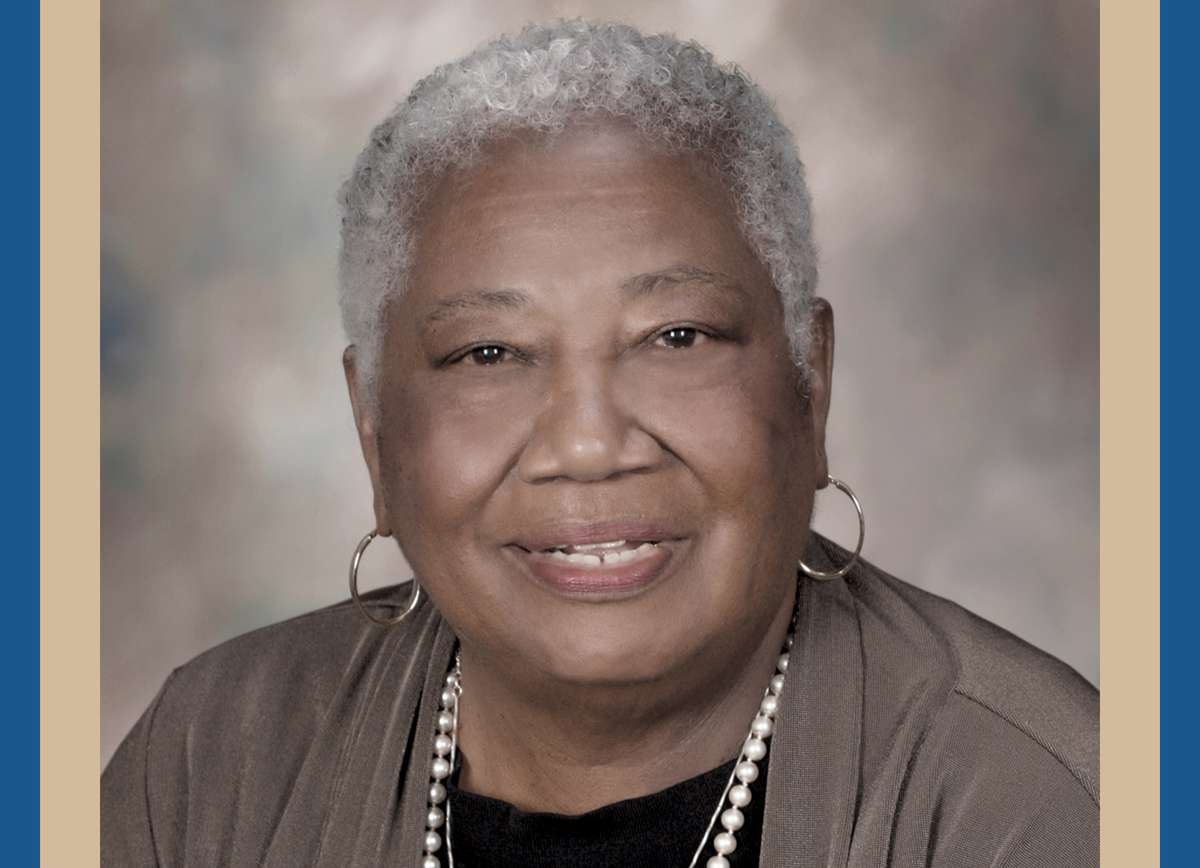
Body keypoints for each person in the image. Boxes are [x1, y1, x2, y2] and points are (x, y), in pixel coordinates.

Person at [101, 19, 1098, 868]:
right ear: (375, 432)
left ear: (812, 382)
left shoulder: (1039, 804)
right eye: (489, 352)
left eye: (677, 337)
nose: (588, 445)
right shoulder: (209, 761)